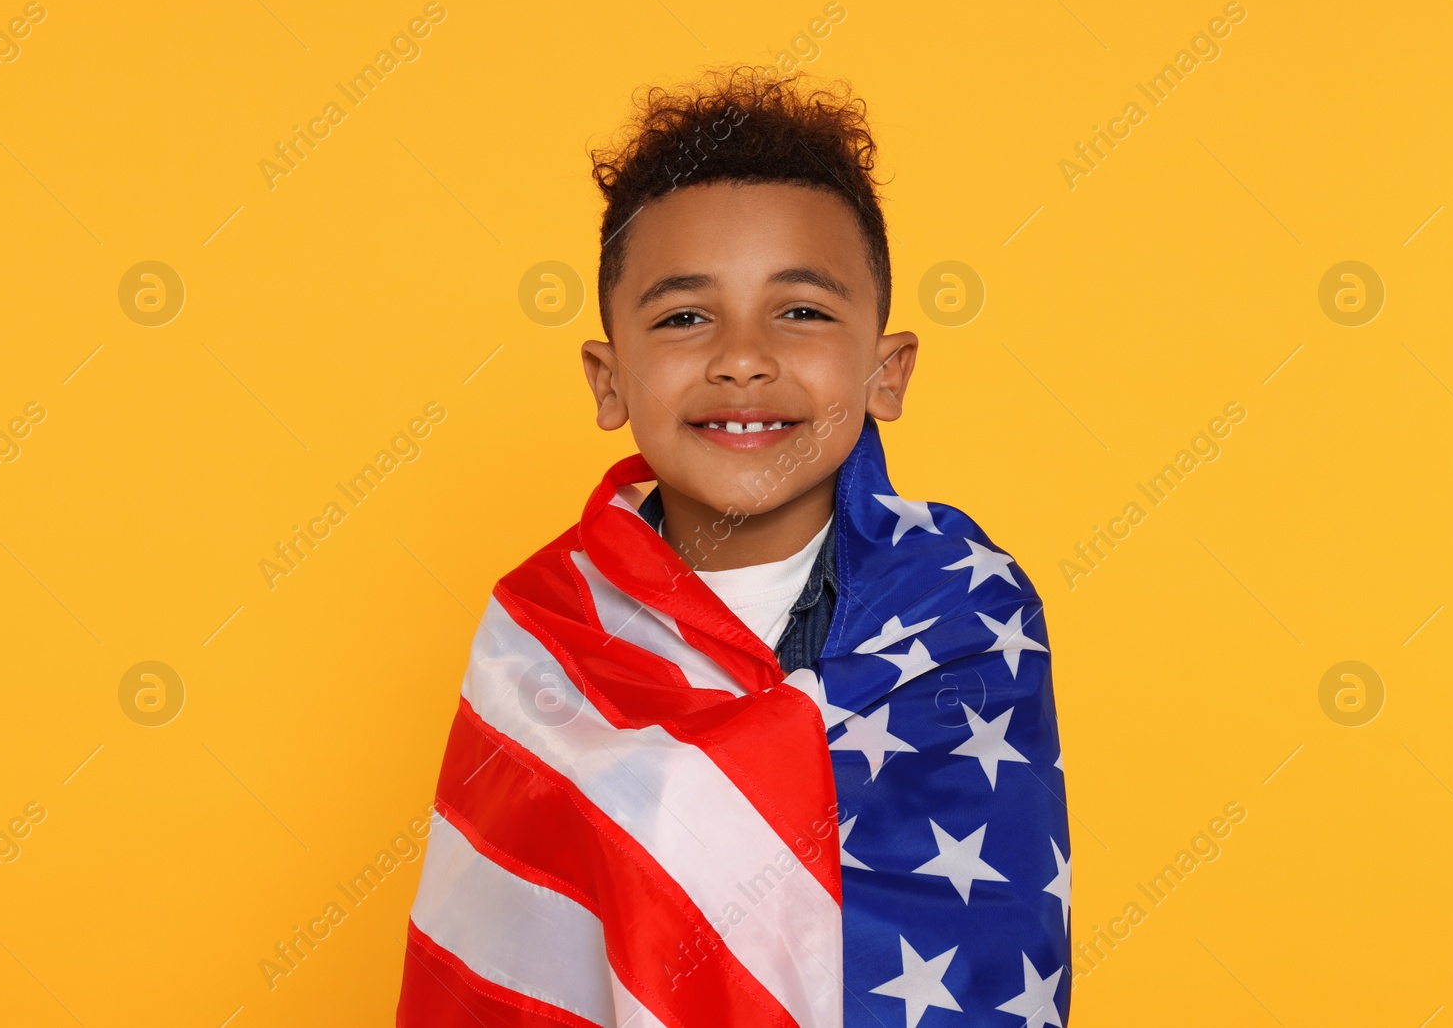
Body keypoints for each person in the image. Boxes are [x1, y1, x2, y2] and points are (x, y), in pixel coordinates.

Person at [395, 64, 1071, 1028]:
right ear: (608, 379)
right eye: (683, 317)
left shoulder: (963, 614)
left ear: (888, 371)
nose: (742, 356)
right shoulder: (542, 629)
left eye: (800, 310)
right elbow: (502, 959)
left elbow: (989, 952)